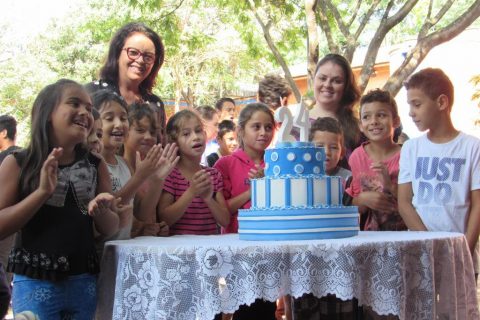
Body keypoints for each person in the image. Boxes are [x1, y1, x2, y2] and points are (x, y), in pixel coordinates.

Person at [0, 79, 119, 319]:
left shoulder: (96, 165)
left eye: (88, 107)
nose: (85, 112)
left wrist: (103, 211)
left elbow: (111, 228)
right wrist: (41, 192)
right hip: (35, 279)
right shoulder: (18, 163)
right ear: (46, 113)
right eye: (74, 103)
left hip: (84, 279)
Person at [398, 68, 480, 278]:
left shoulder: (473, 147)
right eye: (409, 105)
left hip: (461, 256)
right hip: (420, 253)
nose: (410, 112)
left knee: (456, 311)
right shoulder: (410, 148)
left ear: (442, 103)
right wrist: (430, 246)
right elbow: (404, 203)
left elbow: (477, 204)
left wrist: (463, 252)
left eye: (417, 104)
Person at [214, 103, 276, 320]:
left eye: (268, 127)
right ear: (240, 131)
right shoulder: (225, 164)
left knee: (267, 305)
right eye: (256, 126)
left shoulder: (276, 163)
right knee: (244, 305)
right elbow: (225, 210)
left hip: (270, 244)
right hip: (239, 246)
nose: (263, 132)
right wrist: (254, 189)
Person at [91, 90, 164, 256]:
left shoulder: (123, 164)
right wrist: (139, 177)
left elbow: (141, 212)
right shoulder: (92, 164)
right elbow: (108, 207)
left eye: (124, 118)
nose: (119, 124)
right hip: (100, 254)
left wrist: (157, 181)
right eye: (109, 118)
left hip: (123, 254)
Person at [85, 22, 167, 142]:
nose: (140, 60)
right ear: (117, 54)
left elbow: (159, 146)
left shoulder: (155, 103)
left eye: (148, 57)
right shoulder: (91, 93)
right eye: (133, 52)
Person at [157, 109, 230, 235]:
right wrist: (192, 192)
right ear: (175, 142)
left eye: (198, 131)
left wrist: (208, 198)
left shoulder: (213, 175)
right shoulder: (170, 175)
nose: (195, 137)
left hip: (208, 249)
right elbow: (164, 218)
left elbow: (225, 220)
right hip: (180, 250)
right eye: (186, 134)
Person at [346, 88, 406, 232]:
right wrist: (362, 199)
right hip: (370, 238)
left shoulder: (407, 156)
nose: (374, 122)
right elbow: (354, 203)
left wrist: (390, 186)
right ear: (361, 125)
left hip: (405, 234)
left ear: (396, 121)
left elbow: (416, 201)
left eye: (381, 115)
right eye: (366, 117)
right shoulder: (356, 157)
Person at [122, 102, 179, 237]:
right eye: (140, 130)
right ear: (125, 131)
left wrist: (158, 226)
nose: (148, 137)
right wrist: (140, 229)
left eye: (152, 132)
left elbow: (145, 214)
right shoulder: (119, 167)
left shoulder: (154, 170)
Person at [309, 53, 362, 166]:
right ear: (314, 80)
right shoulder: (296, 125)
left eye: (336, 81)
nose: (327, 85)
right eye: (322, 78)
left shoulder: (357, 128)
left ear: (346, 87)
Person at [309, 117, 351, 181]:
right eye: (320, 146)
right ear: (308, 150)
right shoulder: (302, 177)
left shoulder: (349, 179)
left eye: (333, 147)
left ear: (342, 152)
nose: (327, 152)